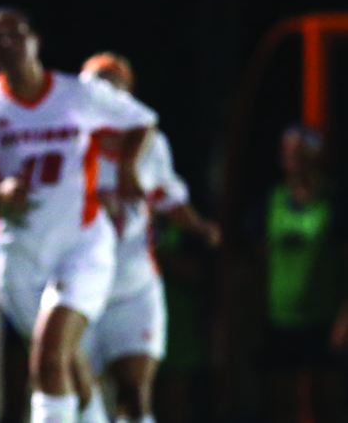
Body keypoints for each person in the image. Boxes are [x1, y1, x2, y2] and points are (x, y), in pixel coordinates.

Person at [0, 8, 156, 423]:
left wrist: (127, 166)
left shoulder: (78, 93)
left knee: (48, 355)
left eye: (14, 35)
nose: (7, 45)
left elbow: (141, 119)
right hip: (20, 252)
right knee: (64, 361)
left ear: (35, 39)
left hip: (82, 244)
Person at [77, 53, 221, 423]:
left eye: (114, 83)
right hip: (79, 289)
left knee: (135, 394)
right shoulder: (67, 144)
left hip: (133, 285)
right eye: (98, 82)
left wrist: (198, 226)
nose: (106, 91)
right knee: (76, 396)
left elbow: (168, 197)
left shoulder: (151, 145)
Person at [245, 125, 347, 423]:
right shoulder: (270, 204)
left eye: (300, 153)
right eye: (288, 153)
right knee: (281, 406)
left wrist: (344, 319)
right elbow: (257, 268)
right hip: (280, 321)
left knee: (328, 404)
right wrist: (253, 319)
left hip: (324, 323)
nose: (293, 161)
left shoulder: (335, 206)